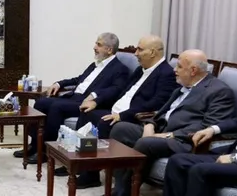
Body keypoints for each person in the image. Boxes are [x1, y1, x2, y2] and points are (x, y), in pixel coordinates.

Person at [92, 49, 236, 196]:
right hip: (160, 132)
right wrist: (149, 125)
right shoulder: (182, 86)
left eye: (179, 66)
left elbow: (209, 127)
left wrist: (166, 135)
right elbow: (161, 112)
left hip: (184, 141)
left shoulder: (219, 92)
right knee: (120, 128)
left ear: (193, 70)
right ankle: (118, 188)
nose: (174, 70)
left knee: (147, 143)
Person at [63, 35, 177, 188]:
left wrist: (121, 115)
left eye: (140, 49)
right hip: (115, 110)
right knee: (87, 112)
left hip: (134, 117)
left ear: (152, 52)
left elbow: (157, 104)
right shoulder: (140, 69)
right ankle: (80, 164)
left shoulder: (166, 73)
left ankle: (91, 174)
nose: (135, 53)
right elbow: (120, 91)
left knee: (104, 121)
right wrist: (97, 101)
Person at [22, 33, 131, 163]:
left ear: (109, 49)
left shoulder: (120, 69)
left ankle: (46, 152)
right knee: (41, 103)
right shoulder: (95, 64)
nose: (94, 47)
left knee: (56, 107)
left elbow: (116, 89)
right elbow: (79, 79)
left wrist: (95, 95)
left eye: (99, 44)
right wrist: (59, 84)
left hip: (86, 102)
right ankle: (35, 145)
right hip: (73, 97)